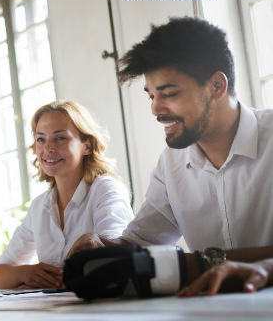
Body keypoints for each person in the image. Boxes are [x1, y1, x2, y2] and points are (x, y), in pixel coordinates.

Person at [67, 17, 273, 286]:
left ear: (216, 87)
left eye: (169, 93)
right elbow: (142, 241)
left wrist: (203, 263)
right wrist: (101, 245)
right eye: (151, 95)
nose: (155, 109)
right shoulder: (172, 163)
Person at [0, 100, 134, 289]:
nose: (48, 148)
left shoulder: (105, 189)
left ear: (87, 146)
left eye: (60, 138)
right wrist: (26, 273)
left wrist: (49, 283)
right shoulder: (40, 206)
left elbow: (114, 261)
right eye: (40, 139)